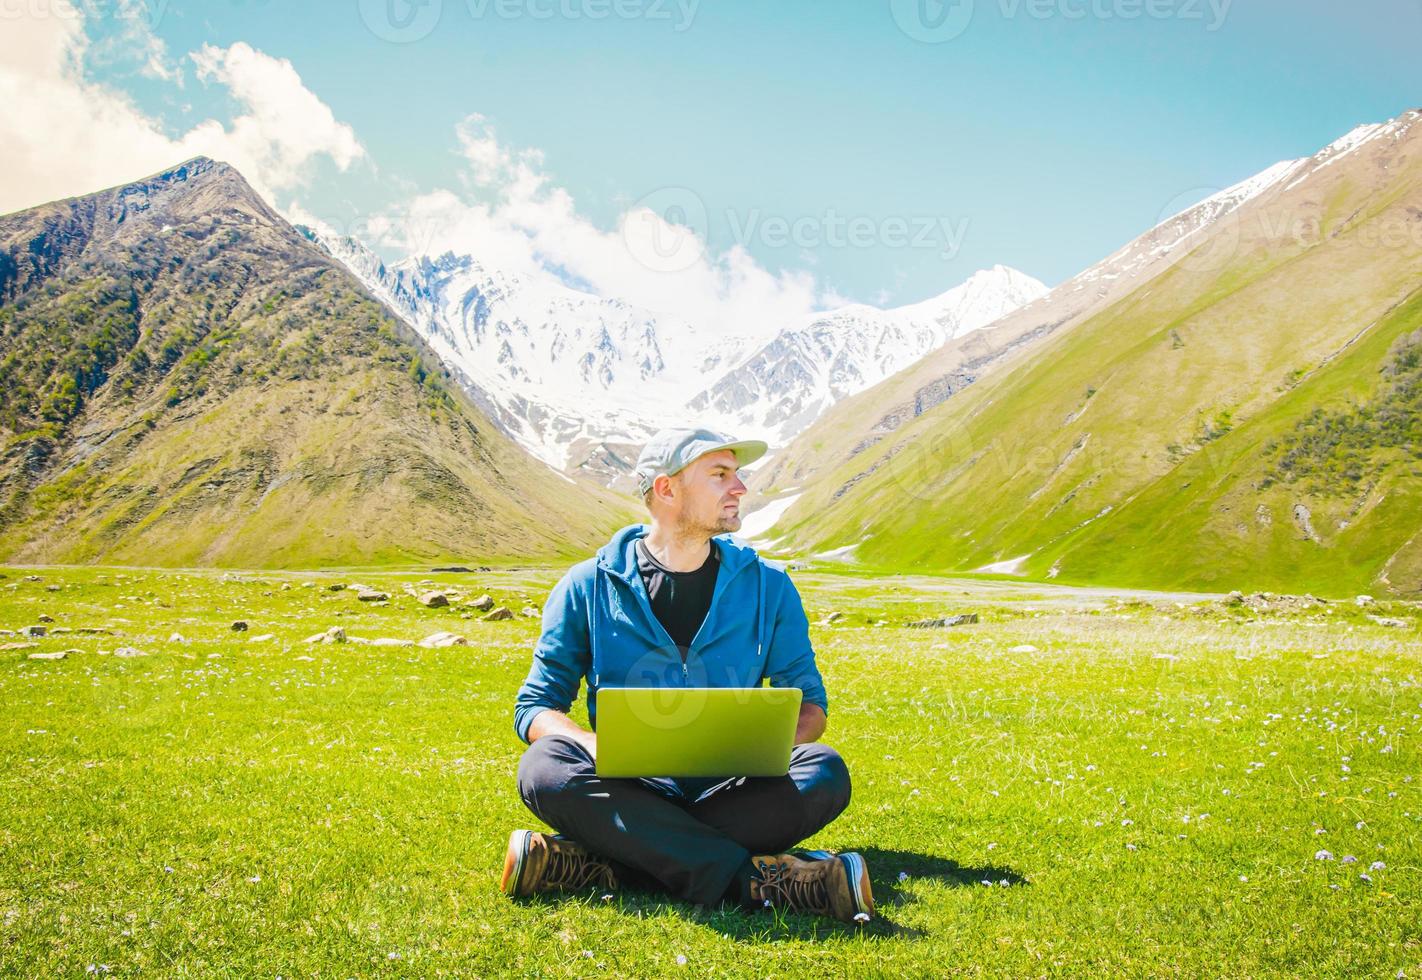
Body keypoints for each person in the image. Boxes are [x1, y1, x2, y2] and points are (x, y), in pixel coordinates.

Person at [503, 427, 873, 923]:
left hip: (733, 789)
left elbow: (810, 706)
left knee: (823, 770)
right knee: (544, 768)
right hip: (629, 786)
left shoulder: (771, 587)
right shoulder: (586, 585)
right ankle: (752, 883)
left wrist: (768, 748)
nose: (739, 488)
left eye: (737, 475)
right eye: (720, 475)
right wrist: (590, 744)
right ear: (667, 490)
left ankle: (608, 859)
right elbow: (535, 708)